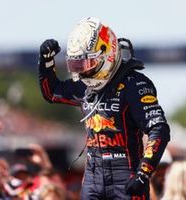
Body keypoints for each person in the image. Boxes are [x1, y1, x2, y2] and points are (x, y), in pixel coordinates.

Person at [37, 17, 170, 199]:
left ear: (106, 53)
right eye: (77, 66)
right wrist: (46, 63)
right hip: (93, 176)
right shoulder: (85, 86)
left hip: (126, 173)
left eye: (86, 65)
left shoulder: (134, 84)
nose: (83, 72)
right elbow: (52, 93)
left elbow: (159, 128)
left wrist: (144, 173)